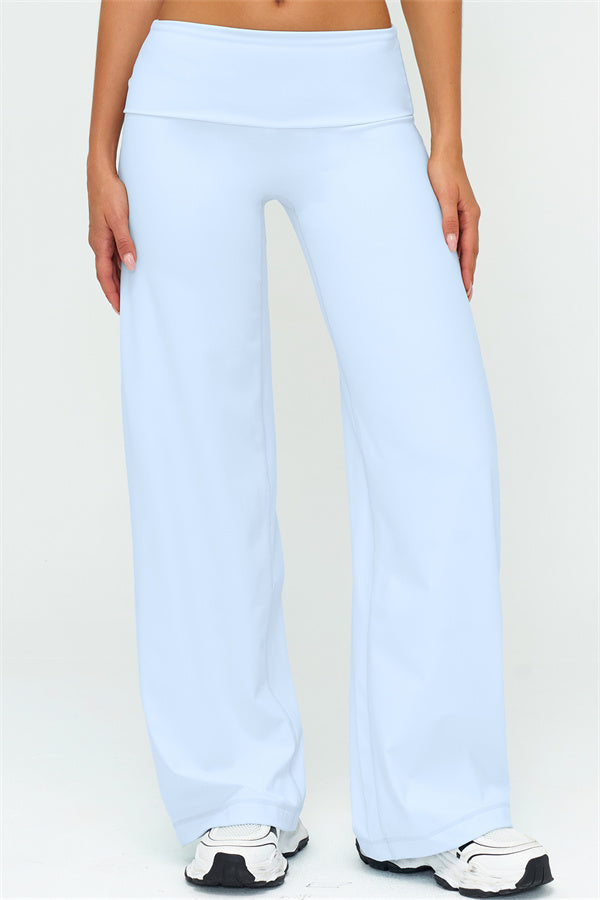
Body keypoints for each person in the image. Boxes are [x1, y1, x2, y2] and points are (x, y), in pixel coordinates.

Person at [86, 0, 554, 894]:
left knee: (438, 443)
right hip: (184, 92)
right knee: (195, 453)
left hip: (356, 89)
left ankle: (440, 805)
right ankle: (233, 793)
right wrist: (98, 149)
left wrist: (446, 137)